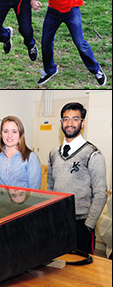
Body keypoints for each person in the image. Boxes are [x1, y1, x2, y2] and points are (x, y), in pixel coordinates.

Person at [47, 102, 107, 254]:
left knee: (82, 272)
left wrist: (89, 225)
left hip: (81, 224)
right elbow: (50, 189)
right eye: (66, 119)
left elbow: (100, 193)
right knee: (57, 268)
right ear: (61, 122)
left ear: (82, 122)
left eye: (75, 119)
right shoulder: (53, 153)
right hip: (58, 222)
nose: (70, 123)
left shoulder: (93, 153)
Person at [0, 116, 41, 189]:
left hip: (22, 200)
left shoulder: (31, 157)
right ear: (1, 134)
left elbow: (34, 192)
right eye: (6, 131)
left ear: (20, 134)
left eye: (14, 132)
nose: (9, 135)